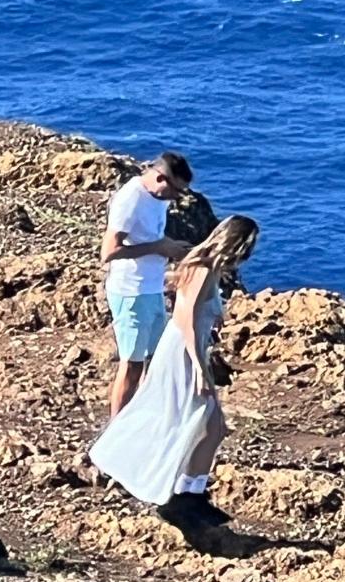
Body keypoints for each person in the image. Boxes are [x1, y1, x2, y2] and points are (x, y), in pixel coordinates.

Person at [90, 214, 259, 521]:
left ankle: (190, 493)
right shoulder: (203, 269)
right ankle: (186, 497)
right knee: (210, 424)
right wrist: (199, 367)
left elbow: (190, 307)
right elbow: (186, 319)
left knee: (206, 424)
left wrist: (213, 317)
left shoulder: (203, 266)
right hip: (183, 352)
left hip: (186, 348)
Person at [101, 152, 194, 417]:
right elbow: (109, 252)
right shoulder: (131, 199)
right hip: (130, 291)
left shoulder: (158, 198)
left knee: (155, 361)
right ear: (160, 178)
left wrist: (171, 248)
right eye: (176, 191)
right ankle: (116, 428)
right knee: (132, 364)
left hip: (151, 289)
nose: (177, 198)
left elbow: (150, 235)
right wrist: (159, 247)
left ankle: (141, 418)